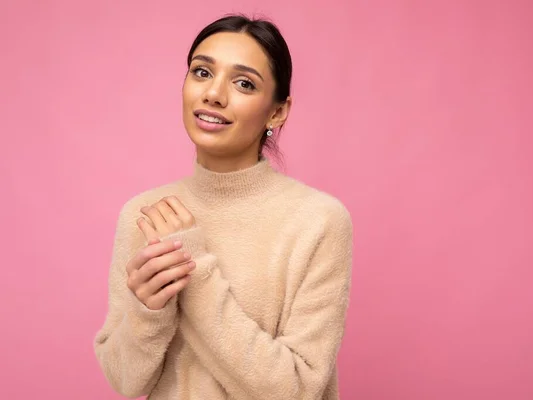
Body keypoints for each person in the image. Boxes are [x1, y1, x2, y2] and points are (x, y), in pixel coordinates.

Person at [93, 14, 353, 400]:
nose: (213, 93)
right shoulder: (146, 214)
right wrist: (148, 311)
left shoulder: (318, 221)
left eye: (244, 83)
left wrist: (191, 266)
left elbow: (297, 390)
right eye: (201, 72)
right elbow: (127, 382)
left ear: (277, 112)